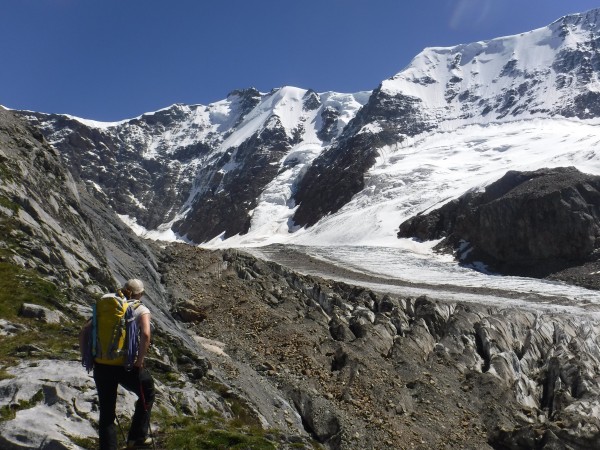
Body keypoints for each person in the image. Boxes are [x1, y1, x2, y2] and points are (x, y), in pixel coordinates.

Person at [80, 279, 155, 450]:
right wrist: (139, 361)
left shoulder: (109, 305)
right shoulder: (140, 308)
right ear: (140, 294)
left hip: (101, 365)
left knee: (107, 413)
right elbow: (145, 334)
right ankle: (136, 439)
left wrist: (88, 357)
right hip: (125, 366)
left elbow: (84, 330)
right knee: (147, 393)